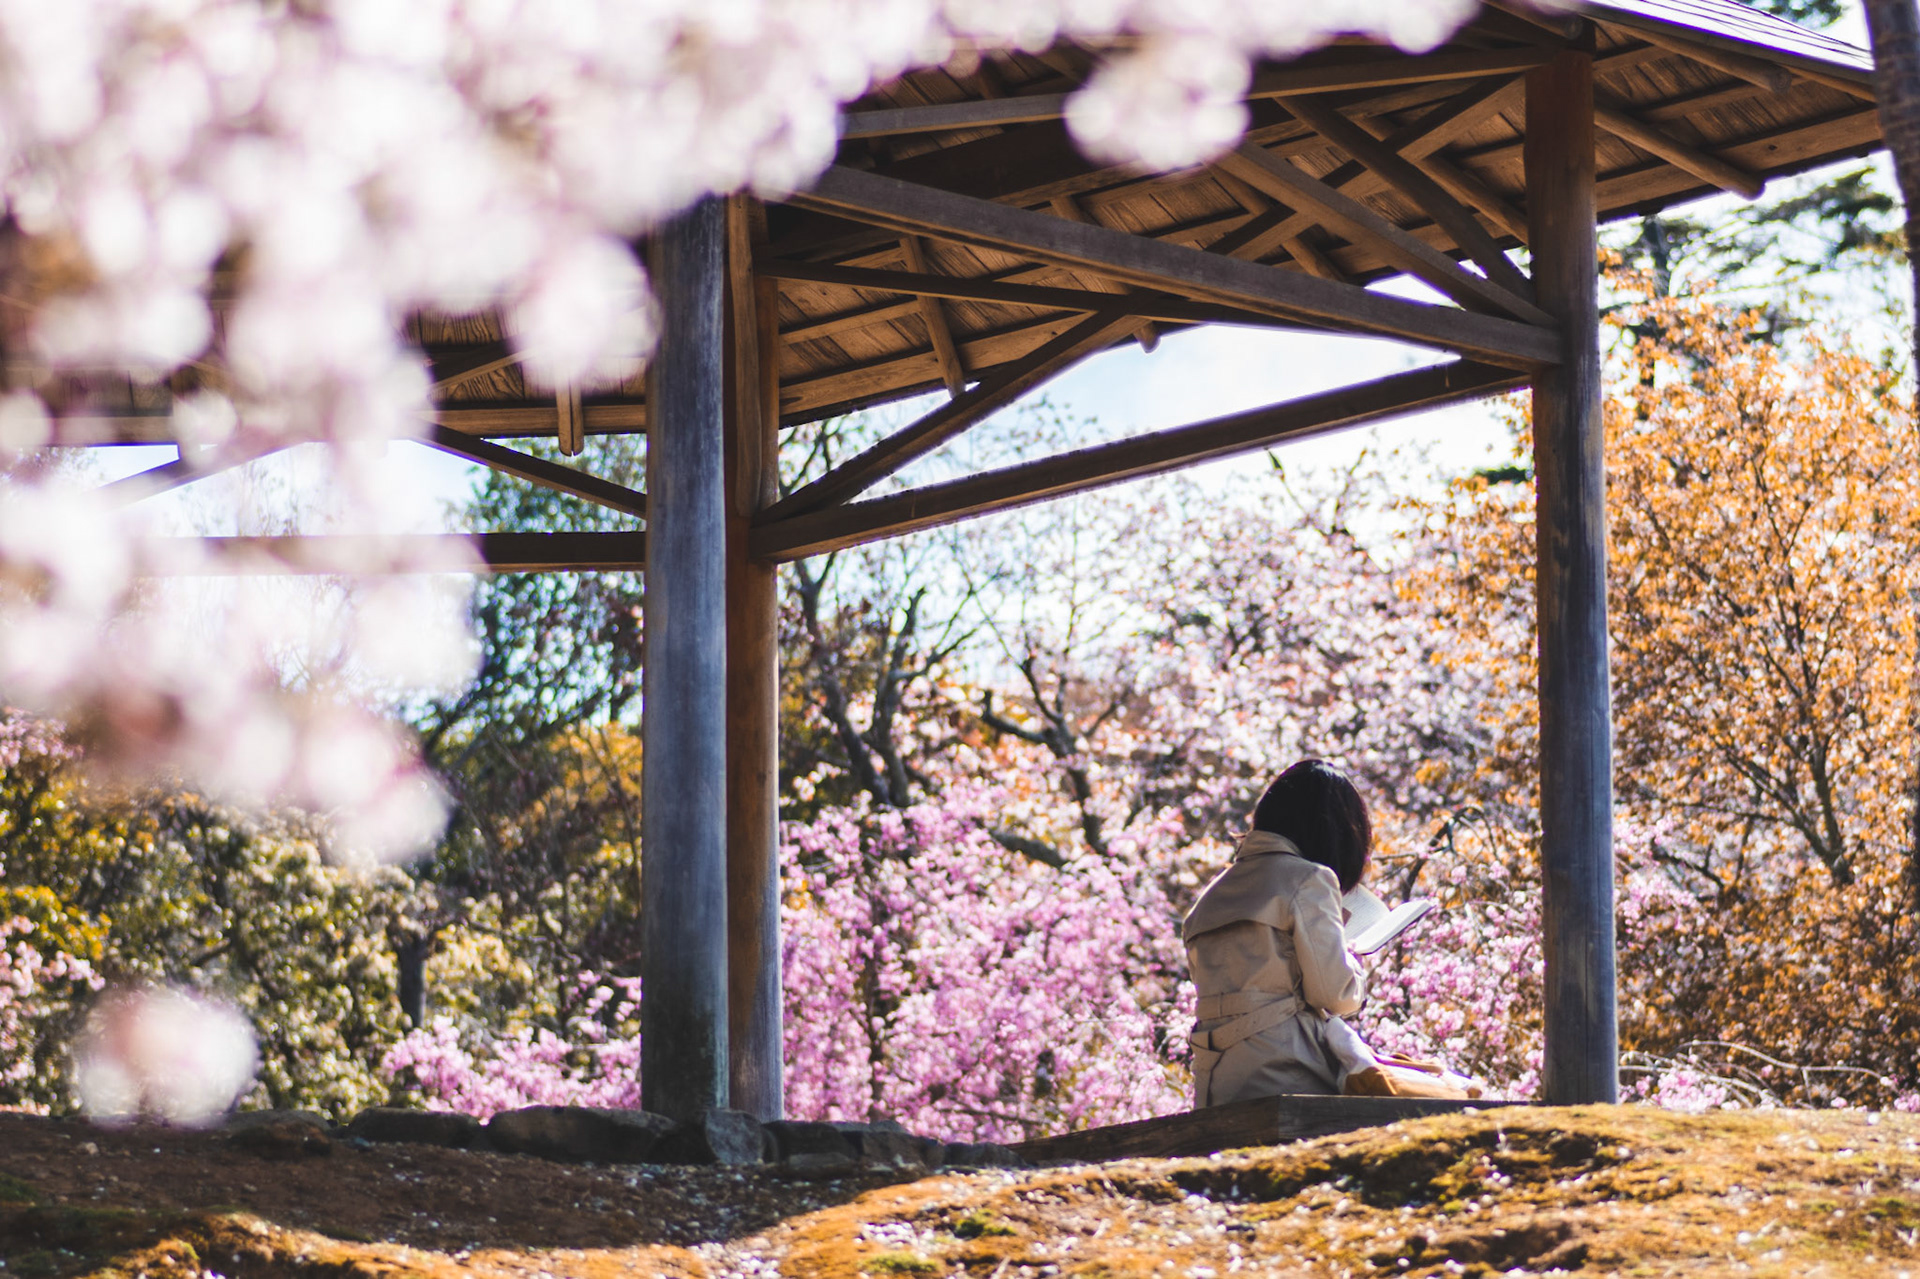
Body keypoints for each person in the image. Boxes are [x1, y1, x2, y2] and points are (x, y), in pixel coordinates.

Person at [1182, 758, 1383, 1106]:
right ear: (1332, 830)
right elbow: (1336, 996)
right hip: (1290, 1074)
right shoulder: (1309, 879)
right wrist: (1353, 963)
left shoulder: (1207, 899)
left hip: (1216, 1086)